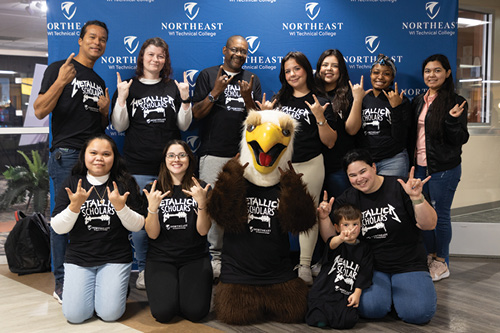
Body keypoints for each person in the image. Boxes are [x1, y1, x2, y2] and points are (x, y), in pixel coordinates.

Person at [33, 20, 110, 304]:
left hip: (93, 158)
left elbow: (99, 128)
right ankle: (61, 283)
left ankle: (84, 277)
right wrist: (61, 82)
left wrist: (105, 112)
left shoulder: (99, 81)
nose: (97, 43)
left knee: (90, 219)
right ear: (80, 39)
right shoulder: (59, 68)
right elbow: (40, 110)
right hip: (66, 155)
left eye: (102, 39)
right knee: (63, 219)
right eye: (92, 37)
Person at [319, 149, 437, 325]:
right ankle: (392, 298)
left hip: (408, 263)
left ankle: (400, 297)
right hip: (372, 267)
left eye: (363, 171)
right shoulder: (348, 198)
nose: (359, 178)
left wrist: (417, 197)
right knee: (371, 309)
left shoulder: (401, 186)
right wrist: (323, 218)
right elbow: (331, 240)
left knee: (419, 314)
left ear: (374, 167)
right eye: (352, 175)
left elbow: (429, 225)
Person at [111, 37, 192, 289]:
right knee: (140, 224)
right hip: (137, 166)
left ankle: (165, 266)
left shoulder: (171, 88)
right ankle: (145, 268)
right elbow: (119, 126)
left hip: (170, 169)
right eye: (151, 55)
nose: (155, 60)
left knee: (171, 221)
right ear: (142, 58)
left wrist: (186, 99)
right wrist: (122, 98)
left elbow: (184, 126)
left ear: (165, 60)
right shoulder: (129, 87)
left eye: (160, 56)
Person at [50, 134, 144, 324]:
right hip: (79, 258)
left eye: (106, 154)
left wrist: (121, 207)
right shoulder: (72, 183)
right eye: (93, 153)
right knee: (75, 316)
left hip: (114, 258)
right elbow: (58, 228)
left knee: (109, 315)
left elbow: (138, 225)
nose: (99, 158)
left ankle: (115, 289)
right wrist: (74, 207)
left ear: (114, 157)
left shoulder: (124, 183)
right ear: (84, 155)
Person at [192, 35, 262, 278]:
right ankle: (214, 257)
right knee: (212, 207)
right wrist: (215, 92)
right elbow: (197, 114)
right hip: (212, 154)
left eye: (243, 51)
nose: (239, 54)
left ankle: (237, 258)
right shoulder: (207, 75)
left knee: (240, 207)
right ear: (224, 50)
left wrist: (247, 98)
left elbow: (258, 121)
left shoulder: (252, 80)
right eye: (235, 49)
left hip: (243, 156)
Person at [270, 51, 337, 285]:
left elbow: (330, 141)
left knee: (309, 214)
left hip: (311, 163)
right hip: (281, 166)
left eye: (296, 69)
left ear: (307, 70)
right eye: (287, 71)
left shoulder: (320, 99)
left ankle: (305, 265)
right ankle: (277, 261)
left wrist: (320, 117)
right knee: (277, 213)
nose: (292, 74)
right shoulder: (280, 99)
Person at [410, 54, 469, 281]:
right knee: (423, 217)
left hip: (444, 169)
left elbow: (460, 139)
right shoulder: (418, 101)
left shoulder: (456, 102)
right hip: (421, 169)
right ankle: (429, 256)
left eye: (436, 70)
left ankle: (442, 261)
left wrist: (453, 121)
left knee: (440, 216)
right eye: (427, 71)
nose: (431, 75)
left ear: (447, 73)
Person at [142, 140, 212, 323]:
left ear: (189, 158)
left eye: (182, 155)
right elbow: (152, 234)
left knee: (196, 313)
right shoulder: (153, 189)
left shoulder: (202, 188)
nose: (176, 159)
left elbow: (203, 231)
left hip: (194, 257)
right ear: (165, 160)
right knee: (163, 314)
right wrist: (153, 209)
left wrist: (202, 203)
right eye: (171, 155)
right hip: (161, 258)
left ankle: (183, 293)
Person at [306, 203, 373, 329]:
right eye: (346, 225)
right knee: (317, 319)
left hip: (344, 295)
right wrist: (341, 238)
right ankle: (323, 318)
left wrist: (357, 293)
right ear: (337, 227)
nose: (351, 229)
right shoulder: (336, 243)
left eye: (355, 224)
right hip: (324, 292)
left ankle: (332, 318)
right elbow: (331, 244)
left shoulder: (365, 249)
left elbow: (365, 273)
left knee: (348, 322)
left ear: (361, 225)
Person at [315, 49, 368, 198]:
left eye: (334, 65)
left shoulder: (349, 94)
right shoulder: (311, 94)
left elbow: (352, 130)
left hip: (339, 166)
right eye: (325, 65)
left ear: (341, 70)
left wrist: (357, 100)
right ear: (319, 68)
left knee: (341, 211)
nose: (329, 69)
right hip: (313, 163)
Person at [358, 53, 411, 177]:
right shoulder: (362, 98)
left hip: (393, 160)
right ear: (370, 75)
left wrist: (396, 108)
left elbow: (401, 137)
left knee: (392, 196)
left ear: (392, 78)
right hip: (366, 161)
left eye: (386, 74)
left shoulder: (401, 100)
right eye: (376, 72)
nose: (380, 77)